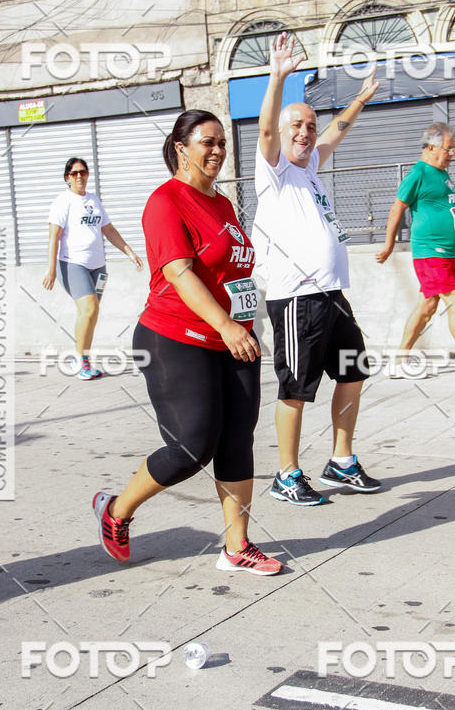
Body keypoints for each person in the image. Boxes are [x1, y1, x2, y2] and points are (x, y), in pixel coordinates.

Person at [93, 110, 283, 575]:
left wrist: (241, 324)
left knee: (238, 440)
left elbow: (231, 271)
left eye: (221, 143)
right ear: (181, 148)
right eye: (207, 142)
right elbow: (179, 273)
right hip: (174, 336)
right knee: (192, 446)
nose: (217, 150)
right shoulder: (165, 201)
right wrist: (225, 325)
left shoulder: (222, 204)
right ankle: (116, 510)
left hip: (233, 338)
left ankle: (236, 547)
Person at [251, 32, 382, 507]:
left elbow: (335, 132)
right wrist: (277, 78)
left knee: (353, 371)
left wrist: (361, 98)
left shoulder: (310, 169)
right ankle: (286, 474)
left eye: (309, 126)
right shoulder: (276, 171)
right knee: (296, 388)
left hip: (332, 295)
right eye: (296, 127)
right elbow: (266, 132)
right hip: (296, 299)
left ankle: (340, 462)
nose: (305, 133)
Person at [375, 122, 455, 383]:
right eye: (449, 149)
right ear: (431, 147)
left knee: (426, 307)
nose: (453, 154)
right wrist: (389, 244)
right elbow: (397, 208)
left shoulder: (443, 174)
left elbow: (448, 208)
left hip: (447, 252)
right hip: (430, 252)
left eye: (454, 148)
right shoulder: (418, 173)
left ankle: (398, 362)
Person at [43, 157, 143, 379]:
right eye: (74, 173)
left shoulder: (94, 200)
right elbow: (54, 236)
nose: (80, 176)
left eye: (83, 172)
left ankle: (84, 359)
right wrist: (51, 269)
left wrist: (129, 252)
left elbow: (108, 230)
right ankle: (82, 362)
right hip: (72, 264)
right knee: (89, 309)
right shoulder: (63, 201)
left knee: (91, 313)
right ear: (67, 177)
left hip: (98, 267)